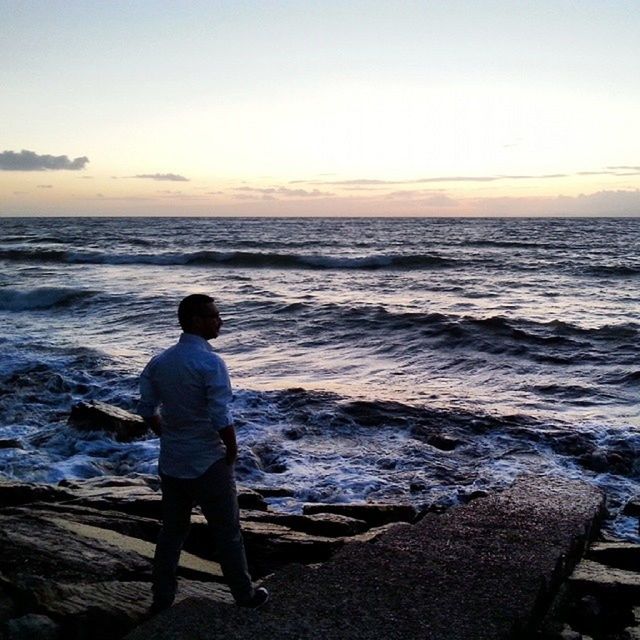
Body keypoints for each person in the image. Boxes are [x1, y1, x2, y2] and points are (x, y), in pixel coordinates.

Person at [138, 293, 269, 612]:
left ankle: (162, 598)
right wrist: (232, 449)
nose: (219, 321)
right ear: (195, 321)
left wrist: (167, 435)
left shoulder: (160, 361)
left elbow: (146, 410)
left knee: (171, 533)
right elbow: (220, 415)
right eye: (213, 316)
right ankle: (244, 595)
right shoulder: (210, 362)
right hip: (209, 460)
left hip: (172, 462)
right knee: (227, 533)